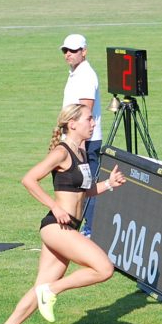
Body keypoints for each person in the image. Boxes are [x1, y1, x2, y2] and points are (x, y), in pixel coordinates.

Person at [0, 104, 126, 324]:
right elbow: (29, 179)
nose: (93, 123)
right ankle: (52, 291)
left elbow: (82, 192)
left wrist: (108, 184)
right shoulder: (61, 152)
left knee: (39, 286)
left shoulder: (81, 152)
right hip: (56, 226)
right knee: (104, 268)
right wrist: (54, 206)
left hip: (68, 227)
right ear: (72, 124)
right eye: (89, 119)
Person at [60, 33, 102, 237]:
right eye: (65, 50)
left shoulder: (85, 76)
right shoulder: (76, 73)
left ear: (84, 52)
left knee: (86, 186)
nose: (68, 54)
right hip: (76, 139)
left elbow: (86, 111)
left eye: (73, 50)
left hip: (84, 141)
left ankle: (90, 230)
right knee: (77, 185)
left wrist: (80, 143)